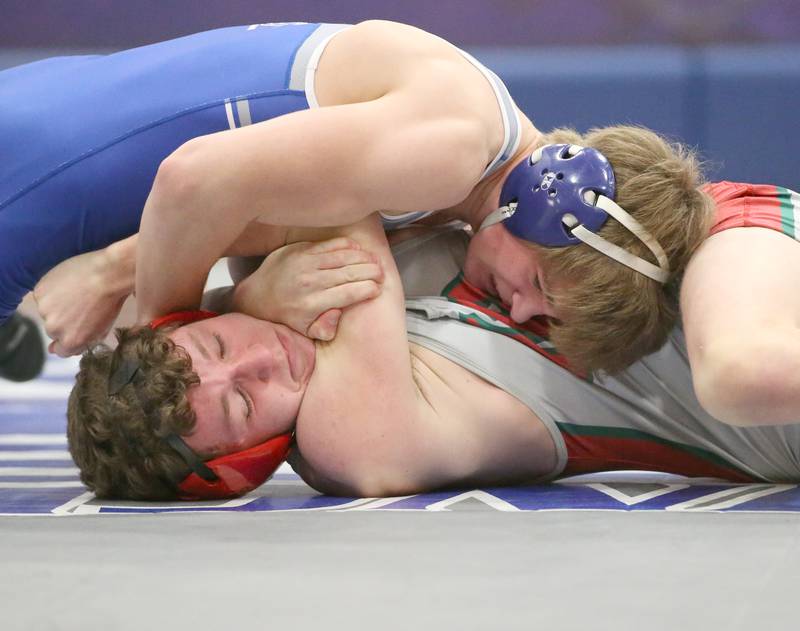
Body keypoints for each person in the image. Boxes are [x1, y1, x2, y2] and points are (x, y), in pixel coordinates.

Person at [1, 20, 710, 374]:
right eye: (538, 285)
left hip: (52, 158)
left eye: (540, 319)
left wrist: (117, 268)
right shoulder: (454, 144)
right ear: (550, 197)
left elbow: (254, 210)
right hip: (31, 173)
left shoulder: (456, 170)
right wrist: (161, 337)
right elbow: (196, 178)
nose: (518, 309)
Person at [67, 217, 800, 500]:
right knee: (737, 373)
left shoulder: (303, 305)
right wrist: (242, 293)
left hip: (726, 249)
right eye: (242, 404)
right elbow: (332, 176)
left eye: (220, 346)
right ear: (248, 461)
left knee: (738, 367)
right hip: (770, 395)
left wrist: (244, 293)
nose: (264, 362)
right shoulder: (348, 440)